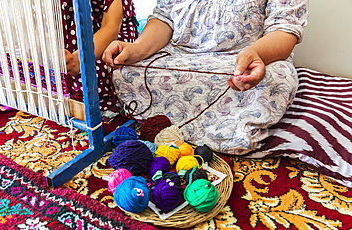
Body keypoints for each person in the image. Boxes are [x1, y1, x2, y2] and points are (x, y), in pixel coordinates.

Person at [103, 0, 309, 155]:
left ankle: (224, 133)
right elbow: (164, 19)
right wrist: (136, 49)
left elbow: (284, 29)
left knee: (278, 79)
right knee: (124, 70)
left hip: (247, 61)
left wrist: (255, 55)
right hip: (180, 57)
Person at [62, 0, 138, 115]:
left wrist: (78, 60)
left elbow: (110, 27)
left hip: (106, 44)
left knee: (90, 82)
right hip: (68, 42)